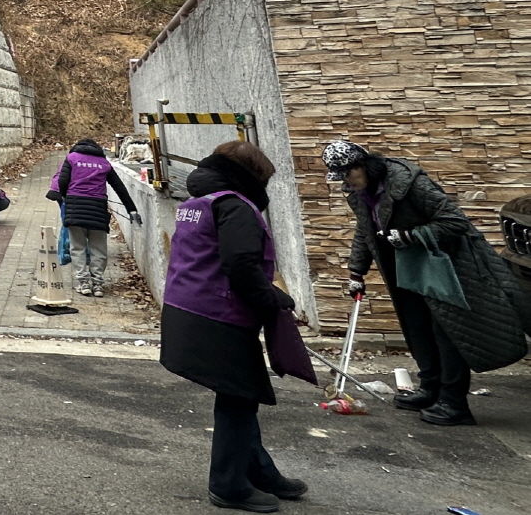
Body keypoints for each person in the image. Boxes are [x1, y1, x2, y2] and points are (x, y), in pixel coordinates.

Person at [326, 139, 531, 426]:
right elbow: (366, 230)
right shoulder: (359, 192)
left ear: (362, 166)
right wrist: (356, 273)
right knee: (417, 328)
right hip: (407, 268)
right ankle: (430, 388)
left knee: (447, 333)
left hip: (444, 264)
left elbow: (455, 221)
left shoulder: (410, 183)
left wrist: (412, 235)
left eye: (347, 175)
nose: (345, 182)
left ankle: (454, 403)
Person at [160, 141, 307, 513]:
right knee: (239, 399)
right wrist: (273, 298)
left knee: (239, 395)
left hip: (185, 308)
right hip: (217, 314)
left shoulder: (198, 203)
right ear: (252, 176)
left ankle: (259, 471)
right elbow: (241, 266)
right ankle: (229, 486)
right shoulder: (236, 207)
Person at [47, 138, 141, 297]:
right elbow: (119, 187)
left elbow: (62, 181)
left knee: (77, 247)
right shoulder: (103, 163)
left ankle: (84, 283)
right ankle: (97, 284)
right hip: (98, 209)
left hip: (75, 207)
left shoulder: (72, 158)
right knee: (98, 248)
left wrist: (64, 198)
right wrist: (131, 210)